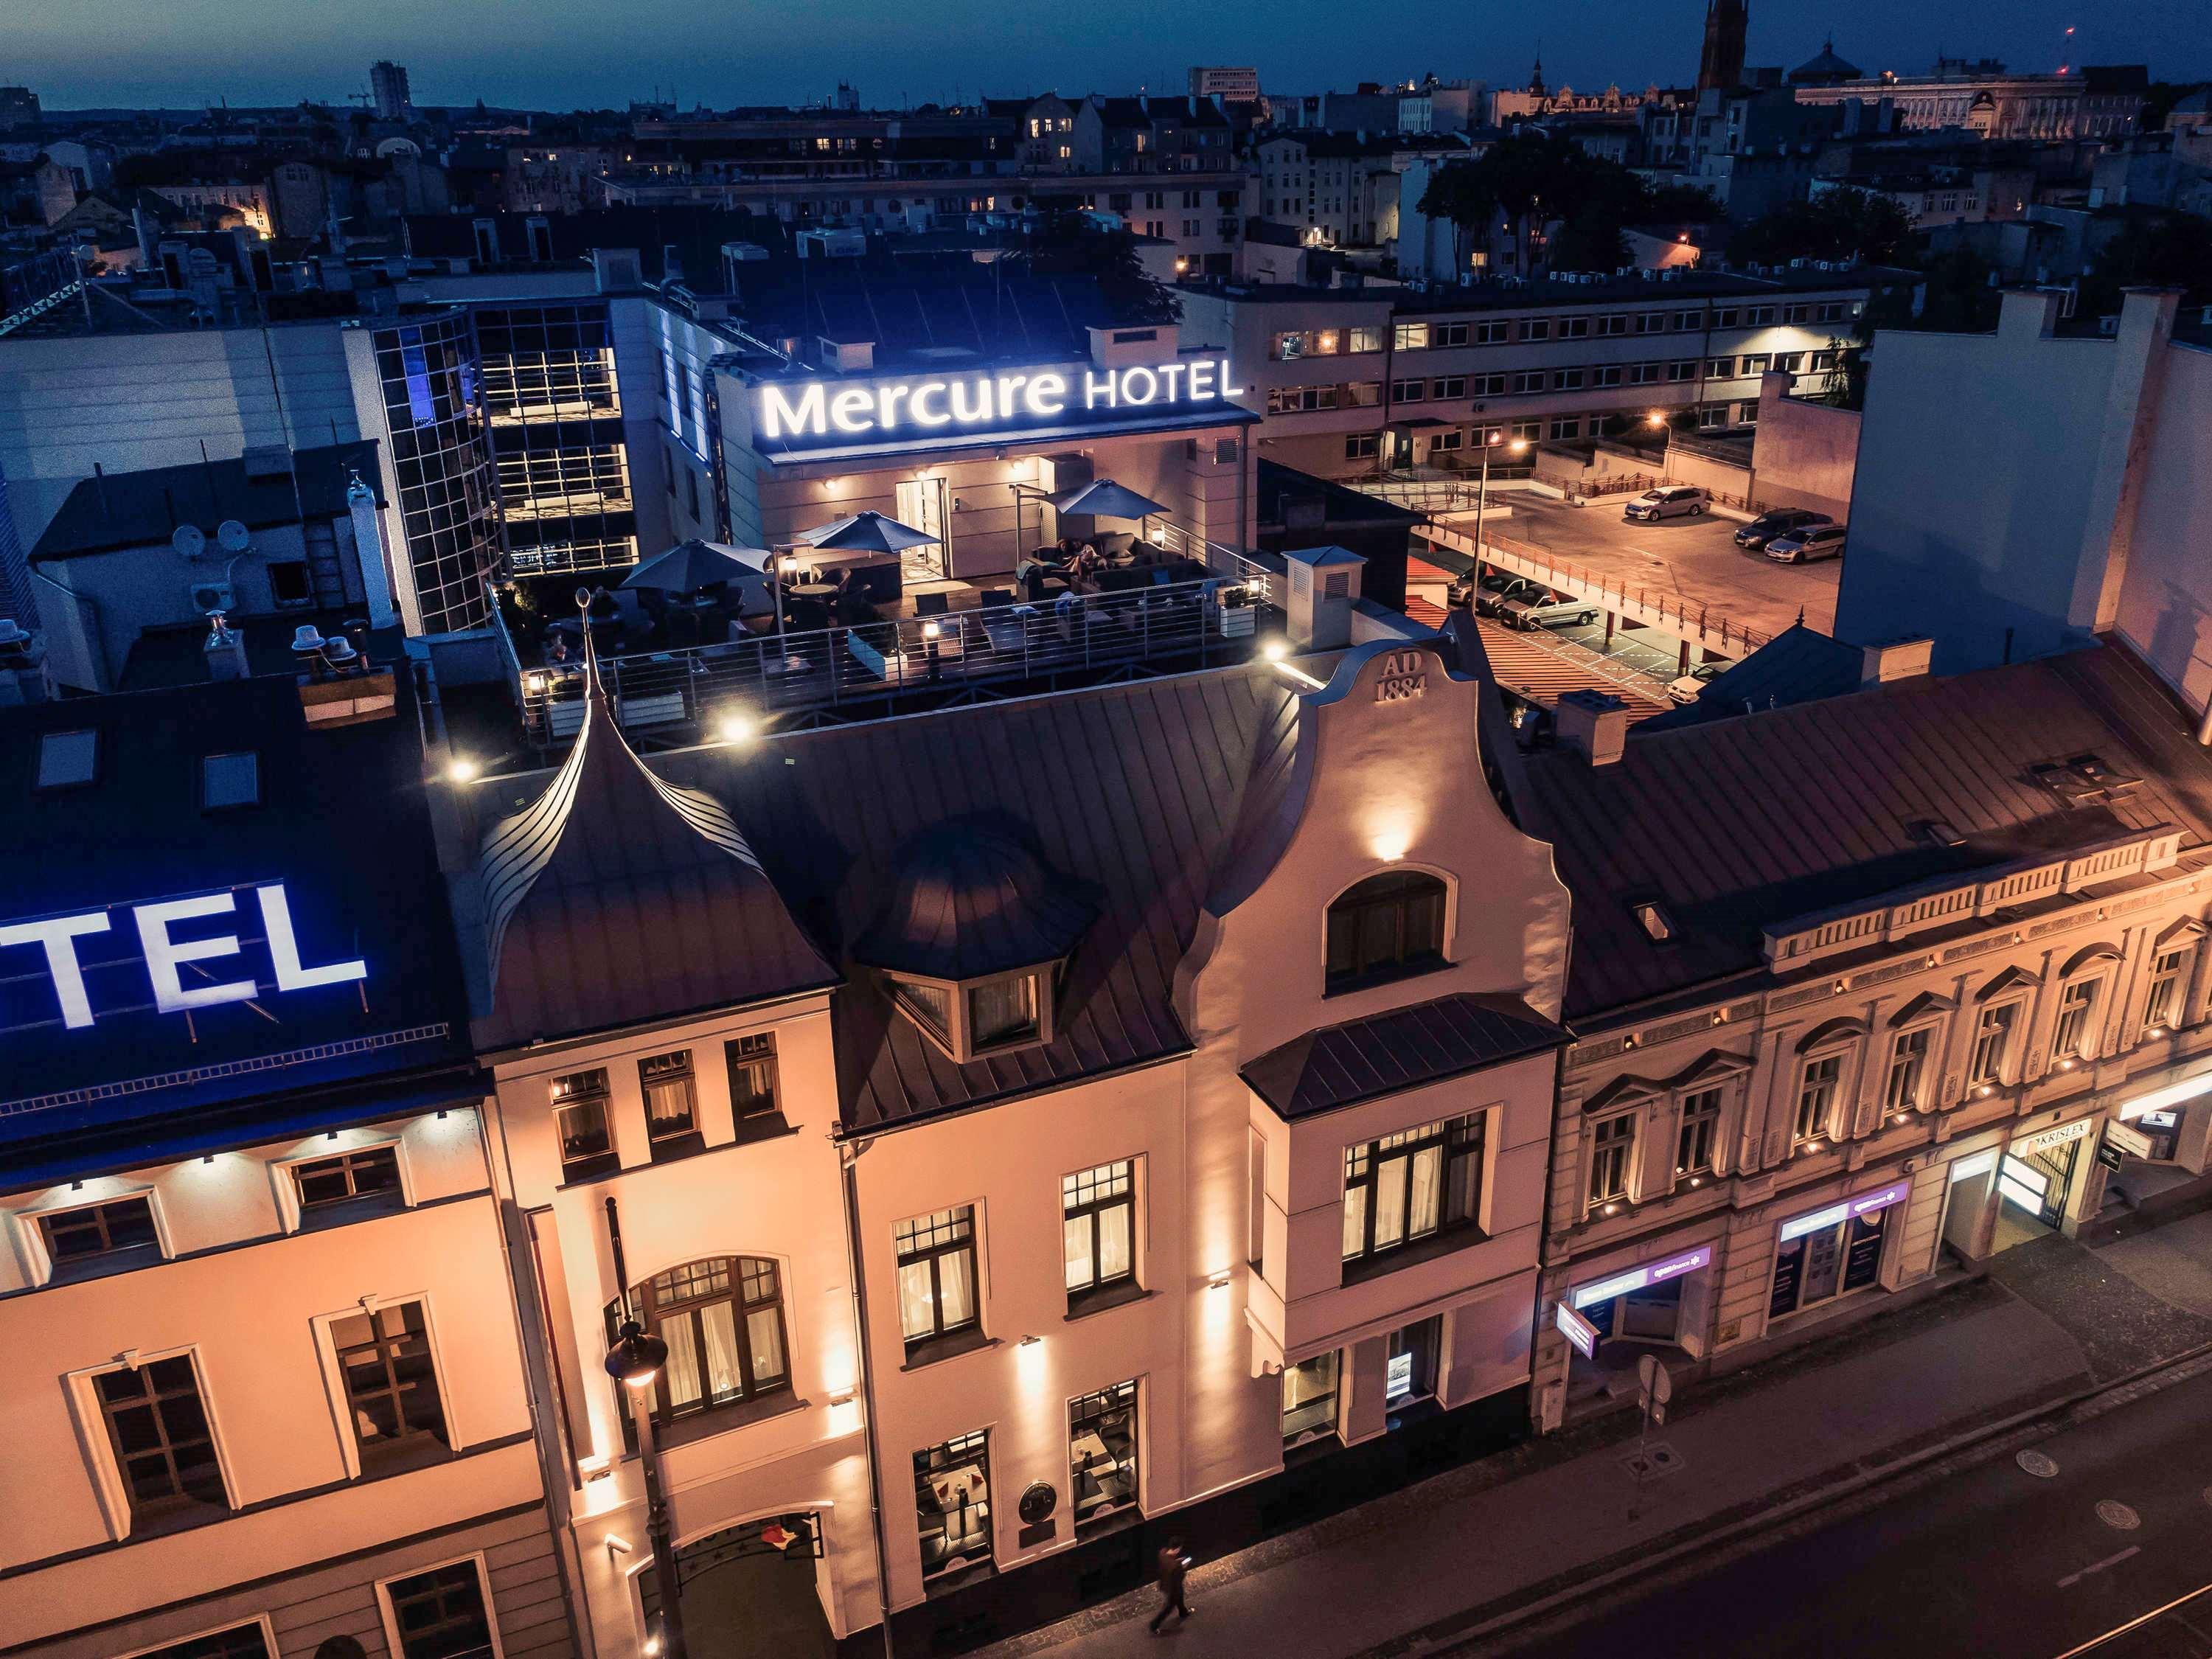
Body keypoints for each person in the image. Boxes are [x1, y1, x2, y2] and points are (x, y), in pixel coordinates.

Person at [1148, 1537, 1192, 1634]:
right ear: (1177, 1549)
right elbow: (1179, 1578)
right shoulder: (1176, 1567)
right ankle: (1154, 1625)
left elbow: (1168, 1564)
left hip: (1165, 1583)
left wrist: (1177, 1562)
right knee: (1169, 1607)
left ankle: (1183, 1612)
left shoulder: (1162, 1552)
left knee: (1180, 1597)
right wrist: (1182, 1568)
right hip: (1173, 1588)